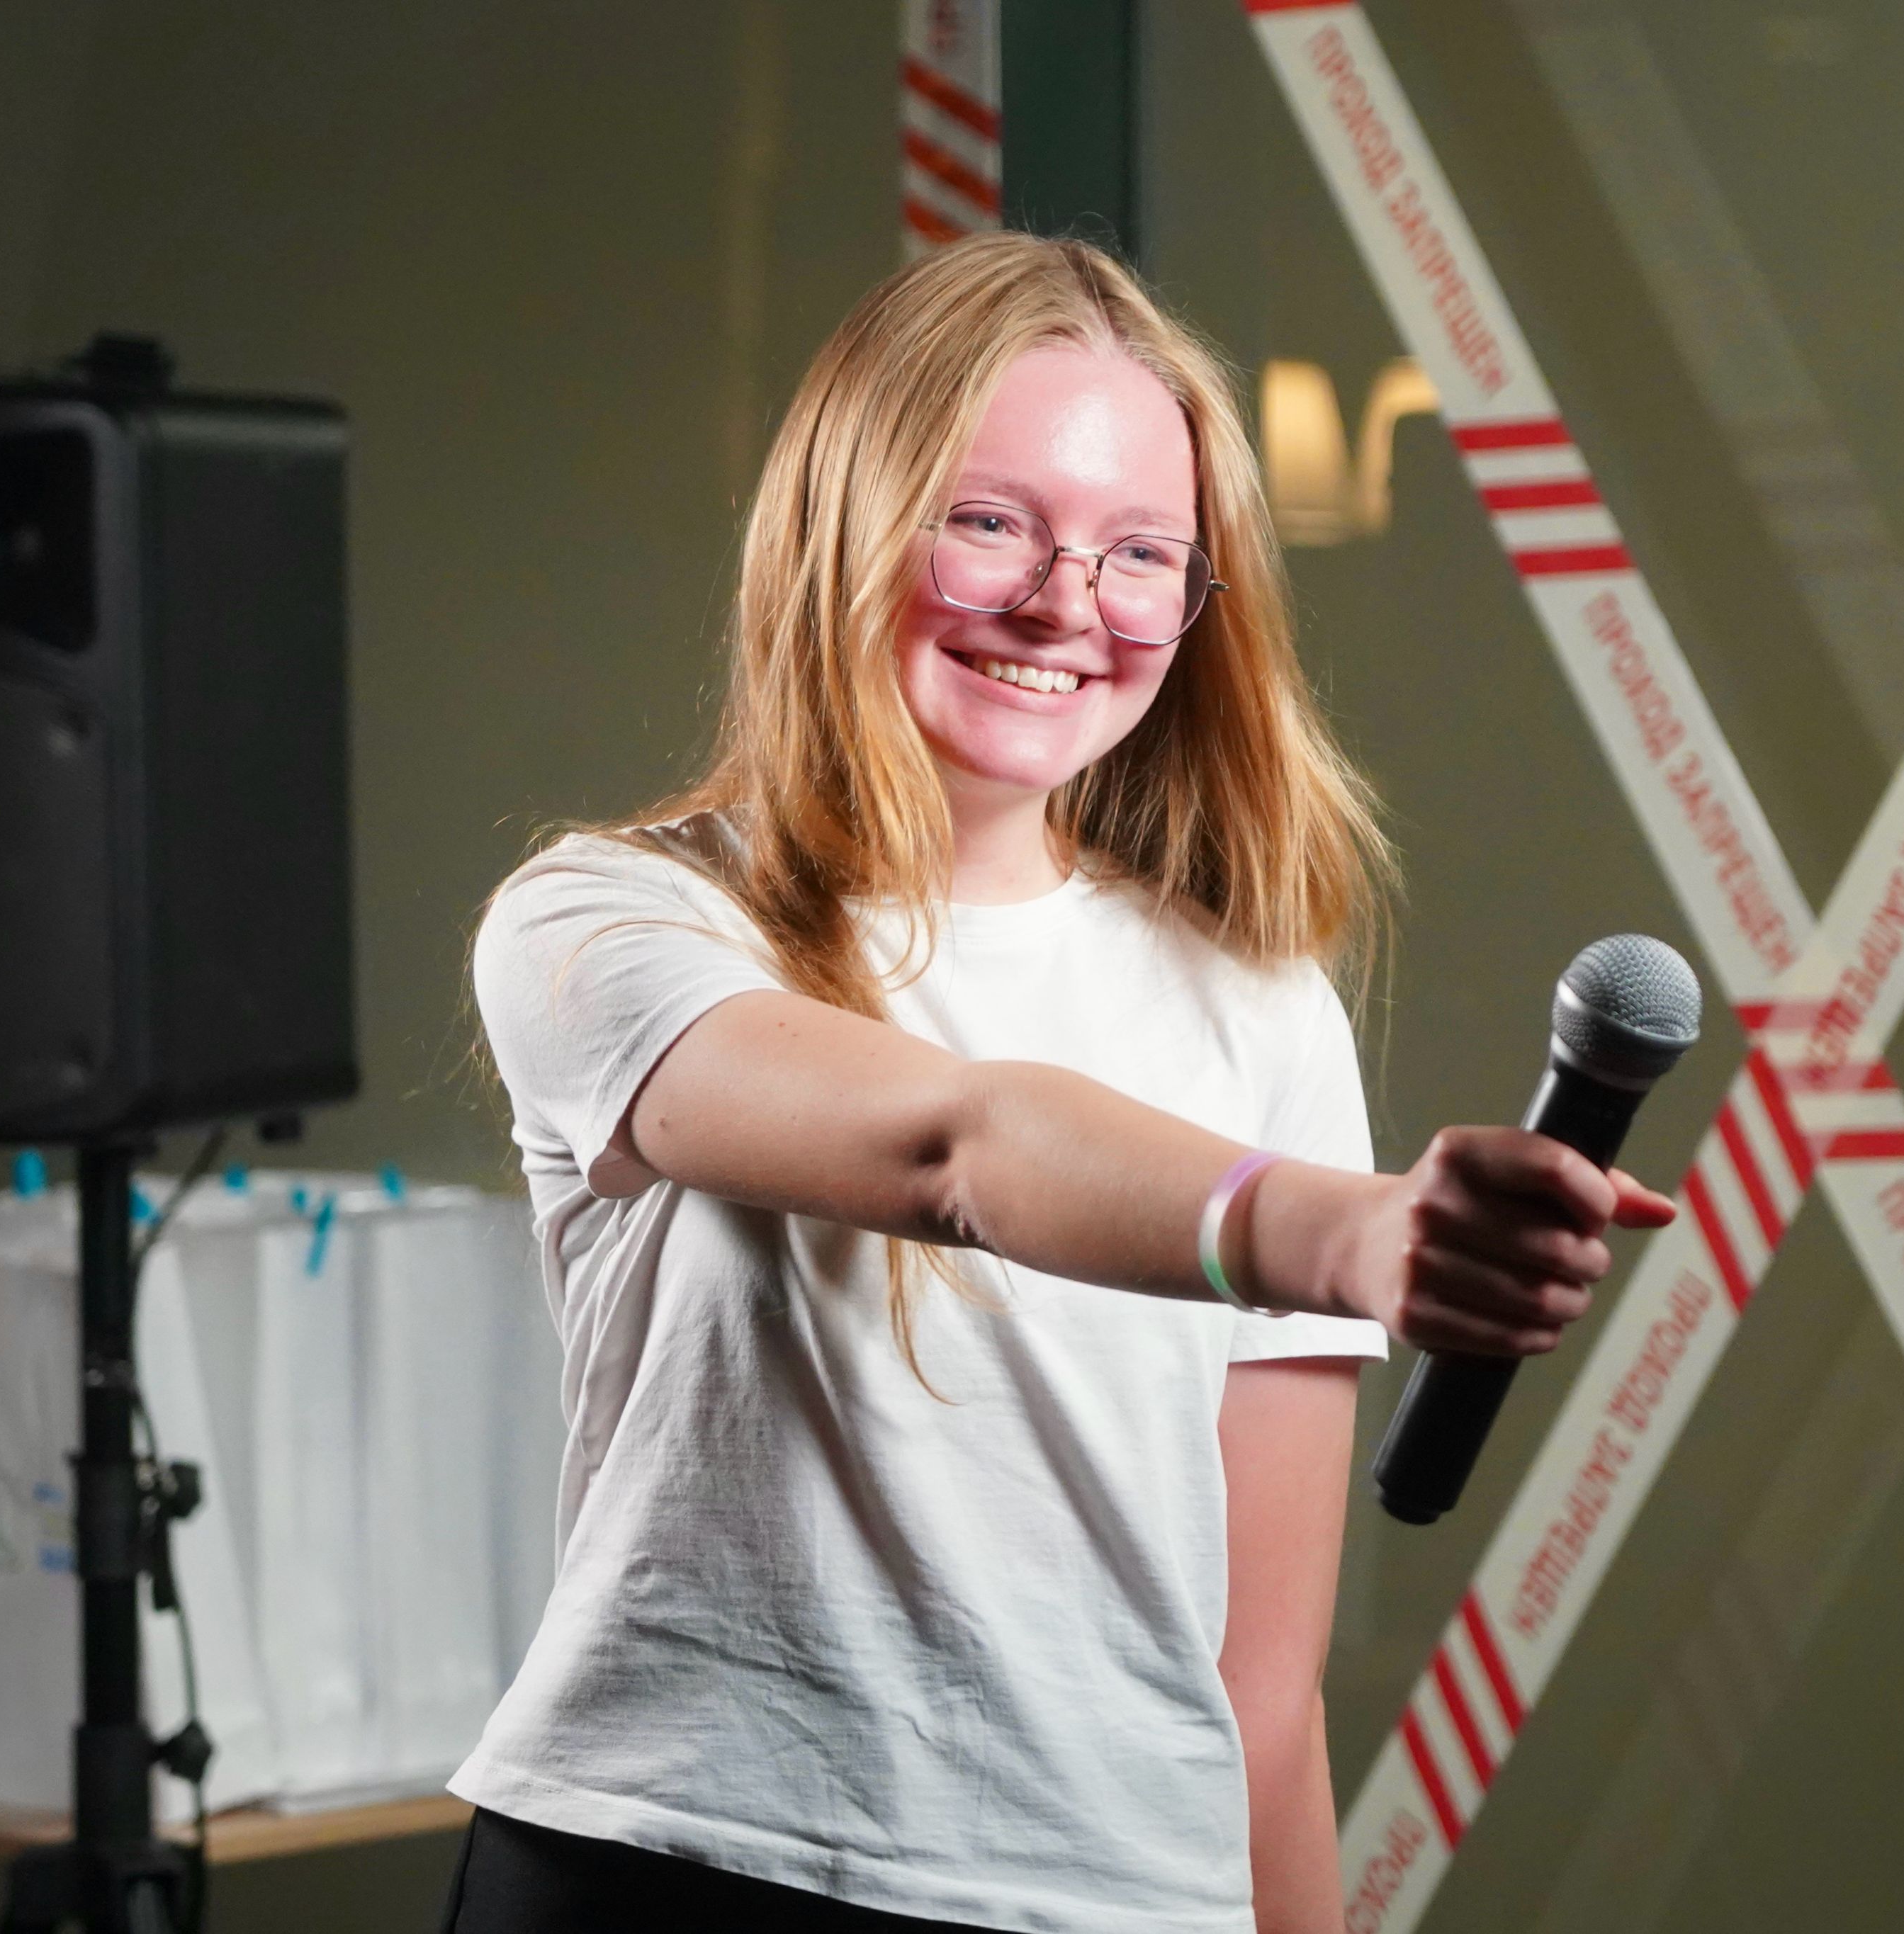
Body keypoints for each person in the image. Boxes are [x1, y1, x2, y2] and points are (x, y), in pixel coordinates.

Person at [450, 232, 1674, 1934]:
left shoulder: (1257, 1008)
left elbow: (1261, 1697)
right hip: (668, 1868)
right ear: (843, 525)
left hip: (1122, 1896)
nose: (1063, 604)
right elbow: (959, 1143)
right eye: (989, 522)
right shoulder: (611, 921)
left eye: (1139, 553)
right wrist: (1340, 1234)